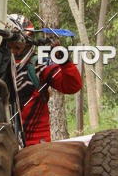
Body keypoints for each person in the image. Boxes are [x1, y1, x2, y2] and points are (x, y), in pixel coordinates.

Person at [5, 14, 82, 145]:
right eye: (9, 46)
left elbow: (72, 86)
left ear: (28, 43)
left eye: (17, 47)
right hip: (3, 142)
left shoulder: (39, 64)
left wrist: (64, 61)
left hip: (35, 142)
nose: (13, 51)